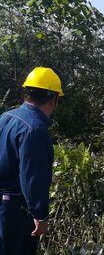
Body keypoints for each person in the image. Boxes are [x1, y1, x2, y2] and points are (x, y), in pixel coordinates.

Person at [0, 67, 63, 254]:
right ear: (53, 99)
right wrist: (40, 215)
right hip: (14, 214)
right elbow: (32, 176)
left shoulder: (5, 118)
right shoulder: (35, 130)